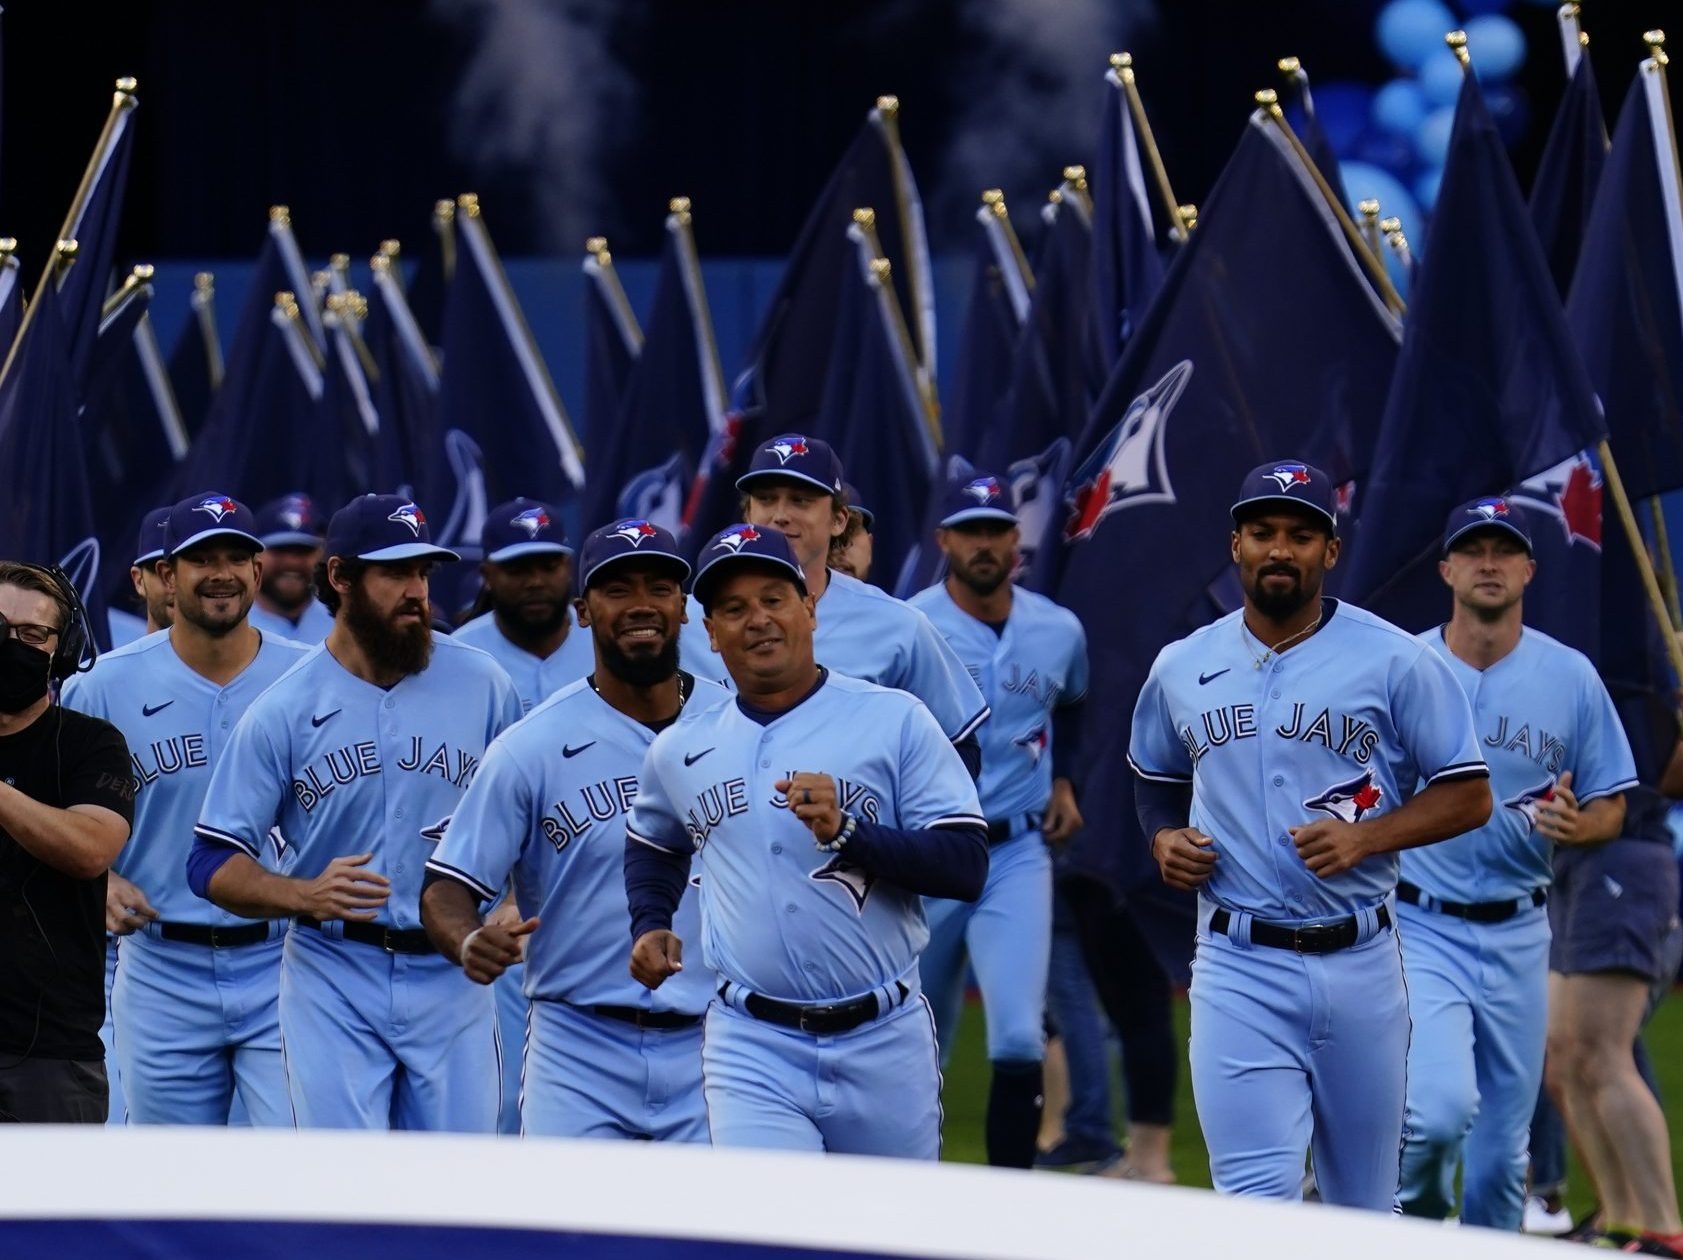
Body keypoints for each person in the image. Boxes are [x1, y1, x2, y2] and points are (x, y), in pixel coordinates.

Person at [1128, 459, 1492, 1210]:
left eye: (1301, 534)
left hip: (1360, 959)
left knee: (1363, 1210)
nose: (1279, 549)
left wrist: (1369, 838)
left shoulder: (1396, 660)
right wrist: (1162, 835)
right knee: (1254, 1207)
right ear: (1235, 544)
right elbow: (1153, 776)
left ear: (1329, 551)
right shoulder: (1181, 664)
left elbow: (1469, 793)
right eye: (1263, 532)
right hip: (1237, 962)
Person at [625, 524, 988, 1157]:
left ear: (810, 609)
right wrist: (651, 920)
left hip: (885, 1036)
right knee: (770, 1234)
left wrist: (853, 833)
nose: (757, 620)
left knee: (890, 1240)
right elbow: (654, 841)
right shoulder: (680, 748)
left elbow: (965, 864)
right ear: (709, 634)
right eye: (733, 609)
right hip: (750, 1043)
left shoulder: (893, 717)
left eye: (773, 599)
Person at [187, 494, 522, 1131]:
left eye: (422, 572)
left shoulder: (484, 684)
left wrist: (510, 900)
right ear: (340, 578)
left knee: (458, 1189)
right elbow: (210, 861)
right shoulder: (283, 709)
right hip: (333, 974)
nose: (416, 591)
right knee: (342, 1184)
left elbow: (530, 828)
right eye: (394, 573)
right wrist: (301, 893)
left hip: (455, 975)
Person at [424, 519, 723, 1139]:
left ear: (684, 607)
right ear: (584, 611)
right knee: (571, 1235)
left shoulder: (737, 726)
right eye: (618, 590)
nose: (642, 604)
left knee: (708, 1234)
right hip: (577, 1046)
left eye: (659, 587)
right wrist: (467, 939)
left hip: (717, 1039)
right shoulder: (530, 746)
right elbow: (447, 888)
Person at [1395, 496, 1635, 1230]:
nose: (1489, 563)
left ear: (1529, 570)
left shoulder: (1570, 676)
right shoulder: (1402, 664)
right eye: (1473, 550)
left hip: (1519, 929)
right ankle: (1412, 1233)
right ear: (1446, 569)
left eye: (1504, 550)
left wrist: (1578, 822)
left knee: (1502, 1159)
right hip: (1417, 922)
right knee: (1434, 1117)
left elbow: (1611, 806)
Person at [62, 493, 312, 1127]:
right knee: (163, 1182)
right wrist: (100, 879)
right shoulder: (103, 685)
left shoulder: (312, 678)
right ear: (168, 576)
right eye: (202, 559)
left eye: (237, 556)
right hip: (160, 962)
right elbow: (51, 810)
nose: (222, 572)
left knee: (296, 1170)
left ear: (258, 571)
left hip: (283, 959)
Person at [907, 474, 1088, 1168]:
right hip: (925, 854)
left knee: (1016, 1036)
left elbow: (1074, 700)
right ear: (943, 540)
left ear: (1017, 540)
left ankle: (1008, 1207)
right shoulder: (911, 626)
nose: (984, 544)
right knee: (919, 1045)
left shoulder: (1057, 628)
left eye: (995, 529)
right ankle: (895, 1209)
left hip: (1014, 850)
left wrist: (1066, 777)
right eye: (969, 530)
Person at [734, 435, 989, 774]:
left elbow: (958, 743)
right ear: (748, 512)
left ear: (839, 520)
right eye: (766, 499)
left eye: (800, 500)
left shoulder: (899, 624)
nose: (780, 515)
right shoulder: (694, 621)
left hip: (856, 824)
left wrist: (905, 820)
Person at [1541, 657, 1683, 1254]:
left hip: (1629, 853)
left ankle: (1664, 1228)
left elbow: (1664, 778)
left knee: (1602, 1050)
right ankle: (1620, 1220)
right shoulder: (1570, 662)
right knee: (1563, 1054)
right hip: (1571, 862)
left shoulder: (1642, 663)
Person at [0, 561, 134, 1122]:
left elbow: (90, 850)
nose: (12, 646)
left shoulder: (92, 743)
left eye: (32, 635)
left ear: (63, 650)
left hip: (50, 1054)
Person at [96, 506, 174, 1121]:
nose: (180, 581)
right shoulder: (95, 681)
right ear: (140, 578)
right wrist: (98, 874)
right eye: (164, 567)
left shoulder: (289, 677)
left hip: (267, 950)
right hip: (122, 950)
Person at [245, 493, 333, 644]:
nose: (291, 562)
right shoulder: (232, 622)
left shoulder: (344, 622)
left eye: (302, 551)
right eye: (280, 550)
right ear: (255, 555)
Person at [107, 506, 174, 648]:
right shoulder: (105, 667)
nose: (174, 583)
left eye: (195, 565)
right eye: (162, 572)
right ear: (139, 580)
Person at [828, 482, 874, 583]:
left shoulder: (885, 599)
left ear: (870, 545)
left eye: (850, 532)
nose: (837, 550)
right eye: (829, 537)